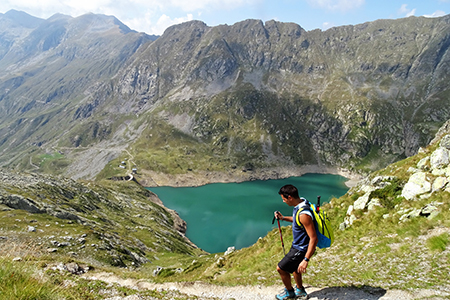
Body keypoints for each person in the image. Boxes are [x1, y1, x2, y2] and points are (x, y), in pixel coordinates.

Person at [274, 184, 318, 300]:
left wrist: (306, 260)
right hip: (297, 246)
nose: (283, 202)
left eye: (284, 199)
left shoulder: (304, 215)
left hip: (301, 248)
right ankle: (300, 290)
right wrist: (283, 218)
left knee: (281, 268)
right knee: (294, 267)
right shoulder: (301, 202)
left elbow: (314, 238)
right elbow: (296, 219)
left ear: (290, 197)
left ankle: (290, 293)